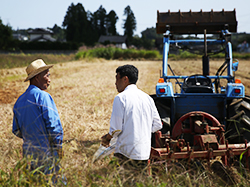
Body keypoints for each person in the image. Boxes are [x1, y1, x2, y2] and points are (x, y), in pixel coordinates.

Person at [12, 59, 65, 182]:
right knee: (55, 181)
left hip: (29, 154)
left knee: (35, 182)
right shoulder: (43, 96)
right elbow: (54, 127)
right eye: (47, 75)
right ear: (37, 78)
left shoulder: (19, 101)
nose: (49, 79)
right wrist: (59, 147)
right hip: (47, 152)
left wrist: (32, 137)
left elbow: (16, 130)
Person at [101, 64, 162, 168]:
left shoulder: (120, 98)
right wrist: (141, 131)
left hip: (126, 153)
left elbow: (116, 129)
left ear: (125, 79)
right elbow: (157, 125)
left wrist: (107, 138)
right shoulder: (148, 98)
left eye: (117, 79)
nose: (115, 83)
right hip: (144, 153)